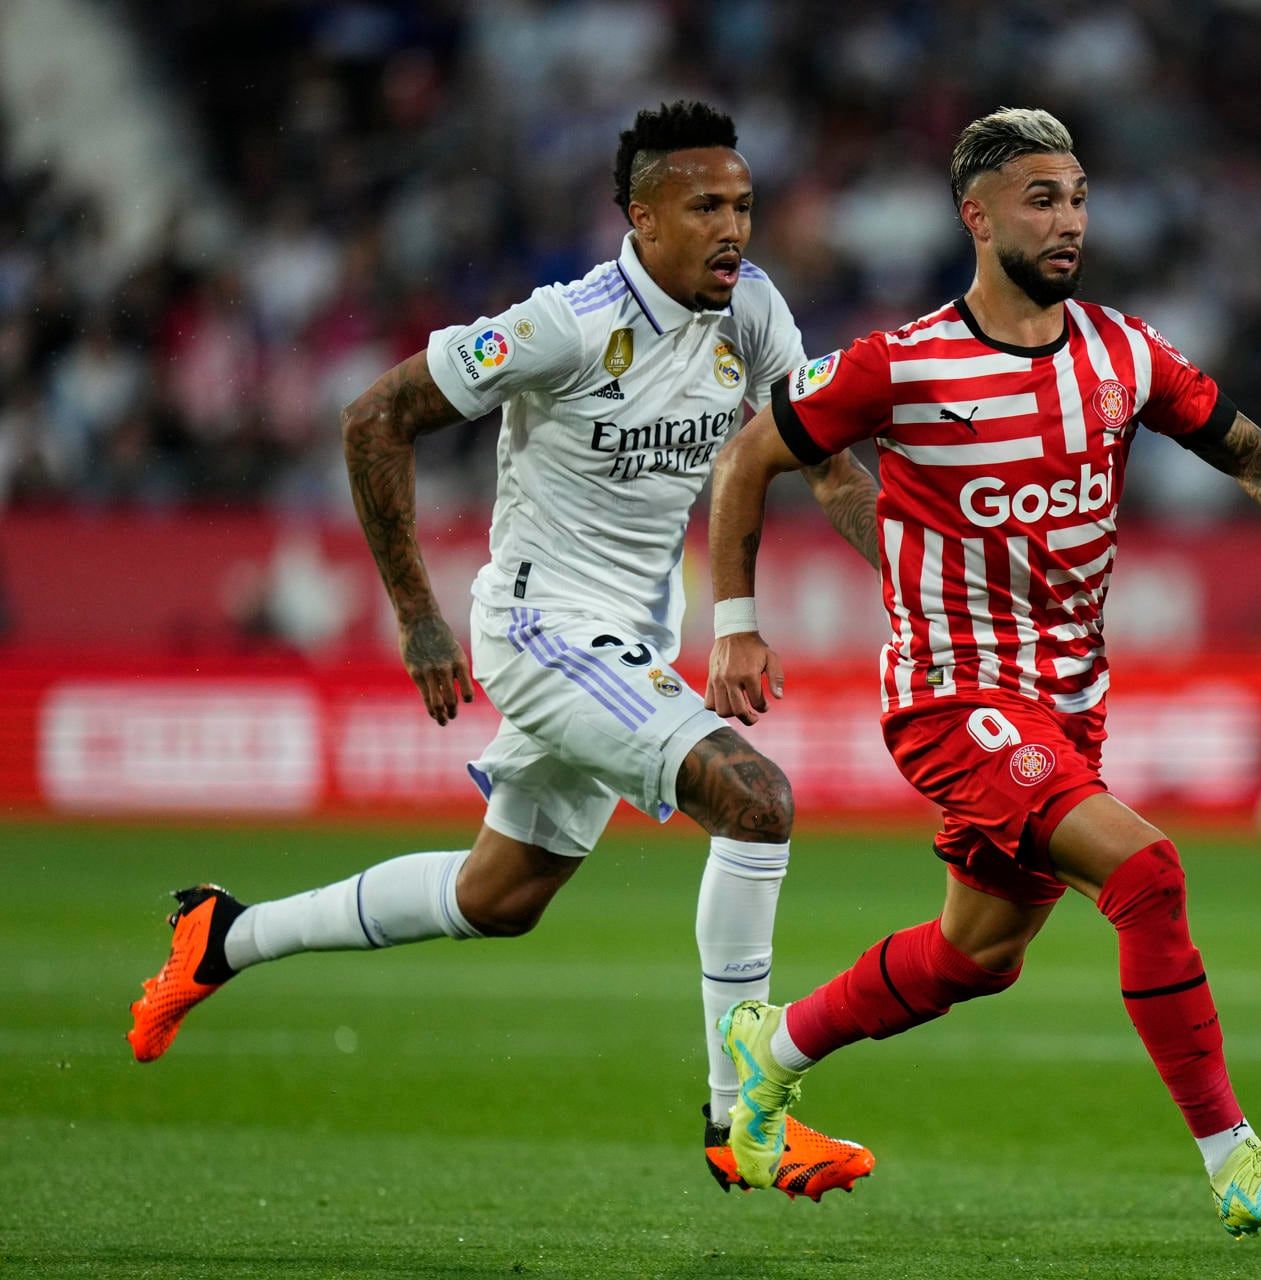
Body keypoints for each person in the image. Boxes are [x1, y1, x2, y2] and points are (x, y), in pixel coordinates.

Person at [126, 101, 877, 1200]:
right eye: (708, 205)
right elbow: (373, 416)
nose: (735, 228)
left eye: (746, 205)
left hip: (627, 639)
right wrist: (419, 616)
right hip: (539, 627)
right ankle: (742, 1117)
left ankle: (224, 934)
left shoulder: (754, 313)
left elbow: (820, 462)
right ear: (644, 215)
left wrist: (918, 576)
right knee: (756, 800)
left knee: (502, 892)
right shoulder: (564, 324)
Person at [701, 107, 1261, 1238]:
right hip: (949, 697)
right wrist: (734, 621)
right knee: (1148, 872)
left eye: (1078, 196)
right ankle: (1237, 1159)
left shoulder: (1125, 352)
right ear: (976, 217)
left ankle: (771, 1045)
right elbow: (753, 454)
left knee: (972, 958)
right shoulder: (908, 361)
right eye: (1042, 197)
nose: (1069, 218)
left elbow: (1246, 445)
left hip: (1068, 703)